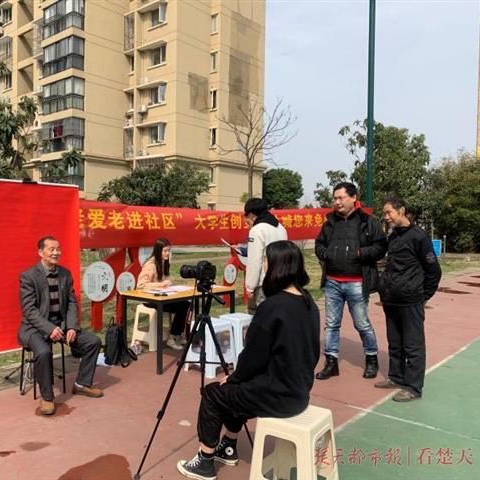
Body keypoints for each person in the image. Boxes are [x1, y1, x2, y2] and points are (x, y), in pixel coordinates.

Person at [177, 241, 320, 480]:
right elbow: (312, 352)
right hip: (300, 391)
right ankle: (228, 445)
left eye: (265, 261)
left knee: (213, 394)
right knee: (239, 389)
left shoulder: (272, 307)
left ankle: (205, 461)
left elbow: (253, 356)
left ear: (277, 267)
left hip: (278, 395)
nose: (263, 266)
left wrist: (234, 376)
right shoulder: (308, 302)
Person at [18, 236, 103, 416]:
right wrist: (49, 329)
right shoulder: (28, 276)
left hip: (62, 325)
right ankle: (47, 397)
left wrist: (71, 327)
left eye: (58, 249)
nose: (56, 252)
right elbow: (29, 310)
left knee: (93, 341)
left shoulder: (65, 274)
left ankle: (81, 384)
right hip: (35, 328)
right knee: (43, 352)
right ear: (40, 252)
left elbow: (72, 303)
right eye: (51, 249)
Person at [314, 182, 387, 380]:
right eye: (335, 198)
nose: (337, 202)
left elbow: (381, 246)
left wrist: (361, 253)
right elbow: (319, 244)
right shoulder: (330, 222)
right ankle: (331, 362)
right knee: (331, 325)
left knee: (362, 324)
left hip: (357, 282)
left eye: (341, 198)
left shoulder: (368, 221)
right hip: (332, 282)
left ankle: (371, 359)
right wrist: (325, 254)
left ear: (353, 198)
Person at [376, 197, 441, 402]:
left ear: (401, 210)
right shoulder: (393, 236)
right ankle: (396, 377)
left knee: (413, 345)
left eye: (389, 212)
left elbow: (434, 271)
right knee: (395, 342)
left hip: (411, 300)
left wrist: (423, 296)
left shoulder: (419, 236)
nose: (386, 217)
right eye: (384, 213)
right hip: (391, 299)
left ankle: (413, 387)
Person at [137, 238, 190, 350]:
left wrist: (168, 285)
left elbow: (164, 281)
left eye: (168, 251)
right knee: (183, 306)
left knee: (186, 304)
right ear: (158, 251)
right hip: (150, 299)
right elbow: (141, 285)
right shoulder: (150, 265)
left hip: (162, 297)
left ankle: (176, 334)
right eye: (165, 251)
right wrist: (161, 285)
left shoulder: (164, 263)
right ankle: (172, 338)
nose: (167, 253)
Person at [243, 198, 288, 314]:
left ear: (251, 215)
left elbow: (255, 260)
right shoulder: (281, 228)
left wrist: (250, 287)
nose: (246, 221)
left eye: (246, 217)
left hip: (263, 284)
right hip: (280, 281)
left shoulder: (257, 230)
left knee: (261, 318)